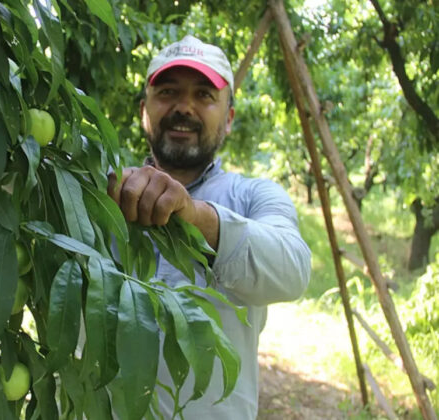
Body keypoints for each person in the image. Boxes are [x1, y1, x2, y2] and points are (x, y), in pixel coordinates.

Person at [106, 34, 312, 419]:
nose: (183, 107)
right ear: (143, 111)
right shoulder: (103, 193)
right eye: (167, 91)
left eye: (204, 95)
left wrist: (197, 217)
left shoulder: (254, 196)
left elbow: (293, 270)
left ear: (229, 118)